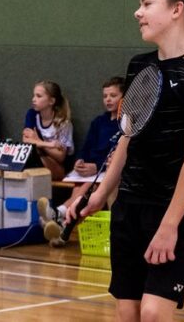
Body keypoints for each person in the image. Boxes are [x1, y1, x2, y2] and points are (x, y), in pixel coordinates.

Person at [68, 0, 184, 322]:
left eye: (147, 3)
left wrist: (169, 226)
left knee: (153, 313)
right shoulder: (140, 66)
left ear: (177, 9)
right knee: (129, 313)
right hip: (130, 207)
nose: (137, 12)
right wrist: (99, 193)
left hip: (175, 212)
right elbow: (128, 136)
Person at [39, 76, 123, 246]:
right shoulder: (98, 122)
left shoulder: (125, 124)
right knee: (79, 189)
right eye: (105, 96)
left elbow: (116, 153)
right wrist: (80, 161)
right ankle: (62, 225)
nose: (108, 99)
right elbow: (86, 147)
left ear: (124, 98)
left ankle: (59, 215)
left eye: (113, 96)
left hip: (106, 172)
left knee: (87, 188)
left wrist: (97, 167)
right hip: (88, 173)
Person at [22, 80, 75, 181]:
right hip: (37, 159)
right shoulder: (32, 114)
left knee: (38, 162)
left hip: (59, 168)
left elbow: (61, 157)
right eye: (34, 95)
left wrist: (37, 142)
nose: (33, 99)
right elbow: (26, 140)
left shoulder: (63, 123)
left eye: (39, 96)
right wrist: (49, 145)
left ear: (51, 101)